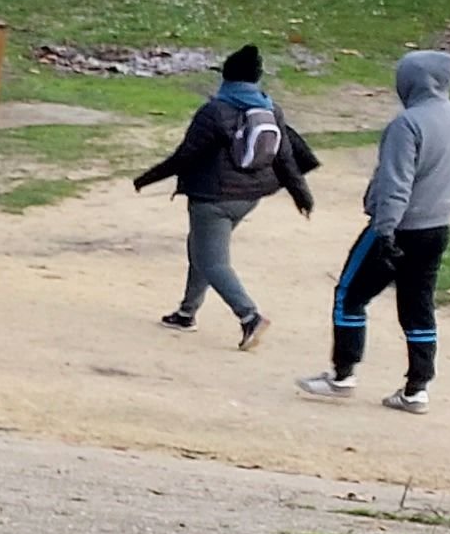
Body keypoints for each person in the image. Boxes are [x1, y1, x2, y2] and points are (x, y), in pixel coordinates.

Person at [301, 48, 450, 412]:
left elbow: (396, 182)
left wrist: (384, 231)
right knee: (418, 305)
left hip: (397, 227)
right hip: (437, 227)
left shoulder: (407, 124)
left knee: (349, 295)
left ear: (412, 81)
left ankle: (342, 375)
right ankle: (417, 389)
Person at [131, 42, 314, 348]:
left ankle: (249, 317)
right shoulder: (270, 109)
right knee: (200, 248)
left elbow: (185, 156)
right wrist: (302, 196)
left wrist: (147, 178)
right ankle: (187, 312)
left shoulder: (215, 111)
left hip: (212, 198)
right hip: (250, 197)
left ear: (226, 76)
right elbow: (285, 159)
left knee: (212, 260)